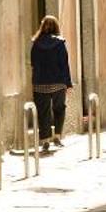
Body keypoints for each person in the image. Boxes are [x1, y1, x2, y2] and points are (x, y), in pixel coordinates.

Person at [30, 15, 72, 149]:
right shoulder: (60, 44)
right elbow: (64, 64)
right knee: (59, 109)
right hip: (58, 82)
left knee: (43, 111)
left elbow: (33, 63)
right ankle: (57, 136)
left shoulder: (36, 44)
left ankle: (45, 139)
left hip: (40, 83)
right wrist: (68, 83)